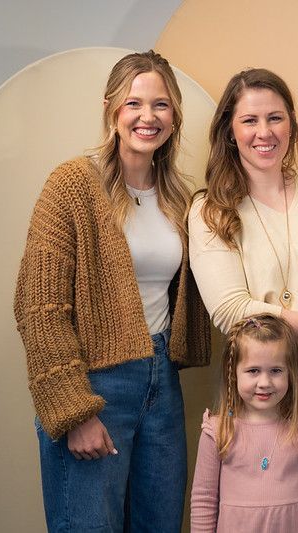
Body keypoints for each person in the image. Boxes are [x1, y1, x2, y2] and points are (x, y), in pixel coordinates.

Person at [13, 50, 211, 532]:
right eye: (134, 103)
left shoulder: (178, 197)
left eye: (161, 105)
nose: (148, 116)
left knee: (160, 523)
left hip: (161, 381)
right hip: (94, 383)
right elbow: (38, 307)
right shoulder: (72, 186)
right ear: (111, 109)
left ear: (174, 115)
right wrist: (73, 410)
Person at [188, 68, 298, 530]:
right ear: (230, 130)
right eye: (249, 120)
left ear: (292, 126)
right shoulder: (210, 210)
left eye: (275, 118)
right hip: (259, 370)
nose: (263, 132)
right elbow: (232, 311)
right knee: (265, 504)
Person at [190, 313, 298, 532]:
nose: (264, 382)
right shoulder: (218, 431)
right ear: (233, 374)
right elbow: (204, 500)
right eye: (253, 371)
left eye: (276, 371)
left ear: (291, 373)